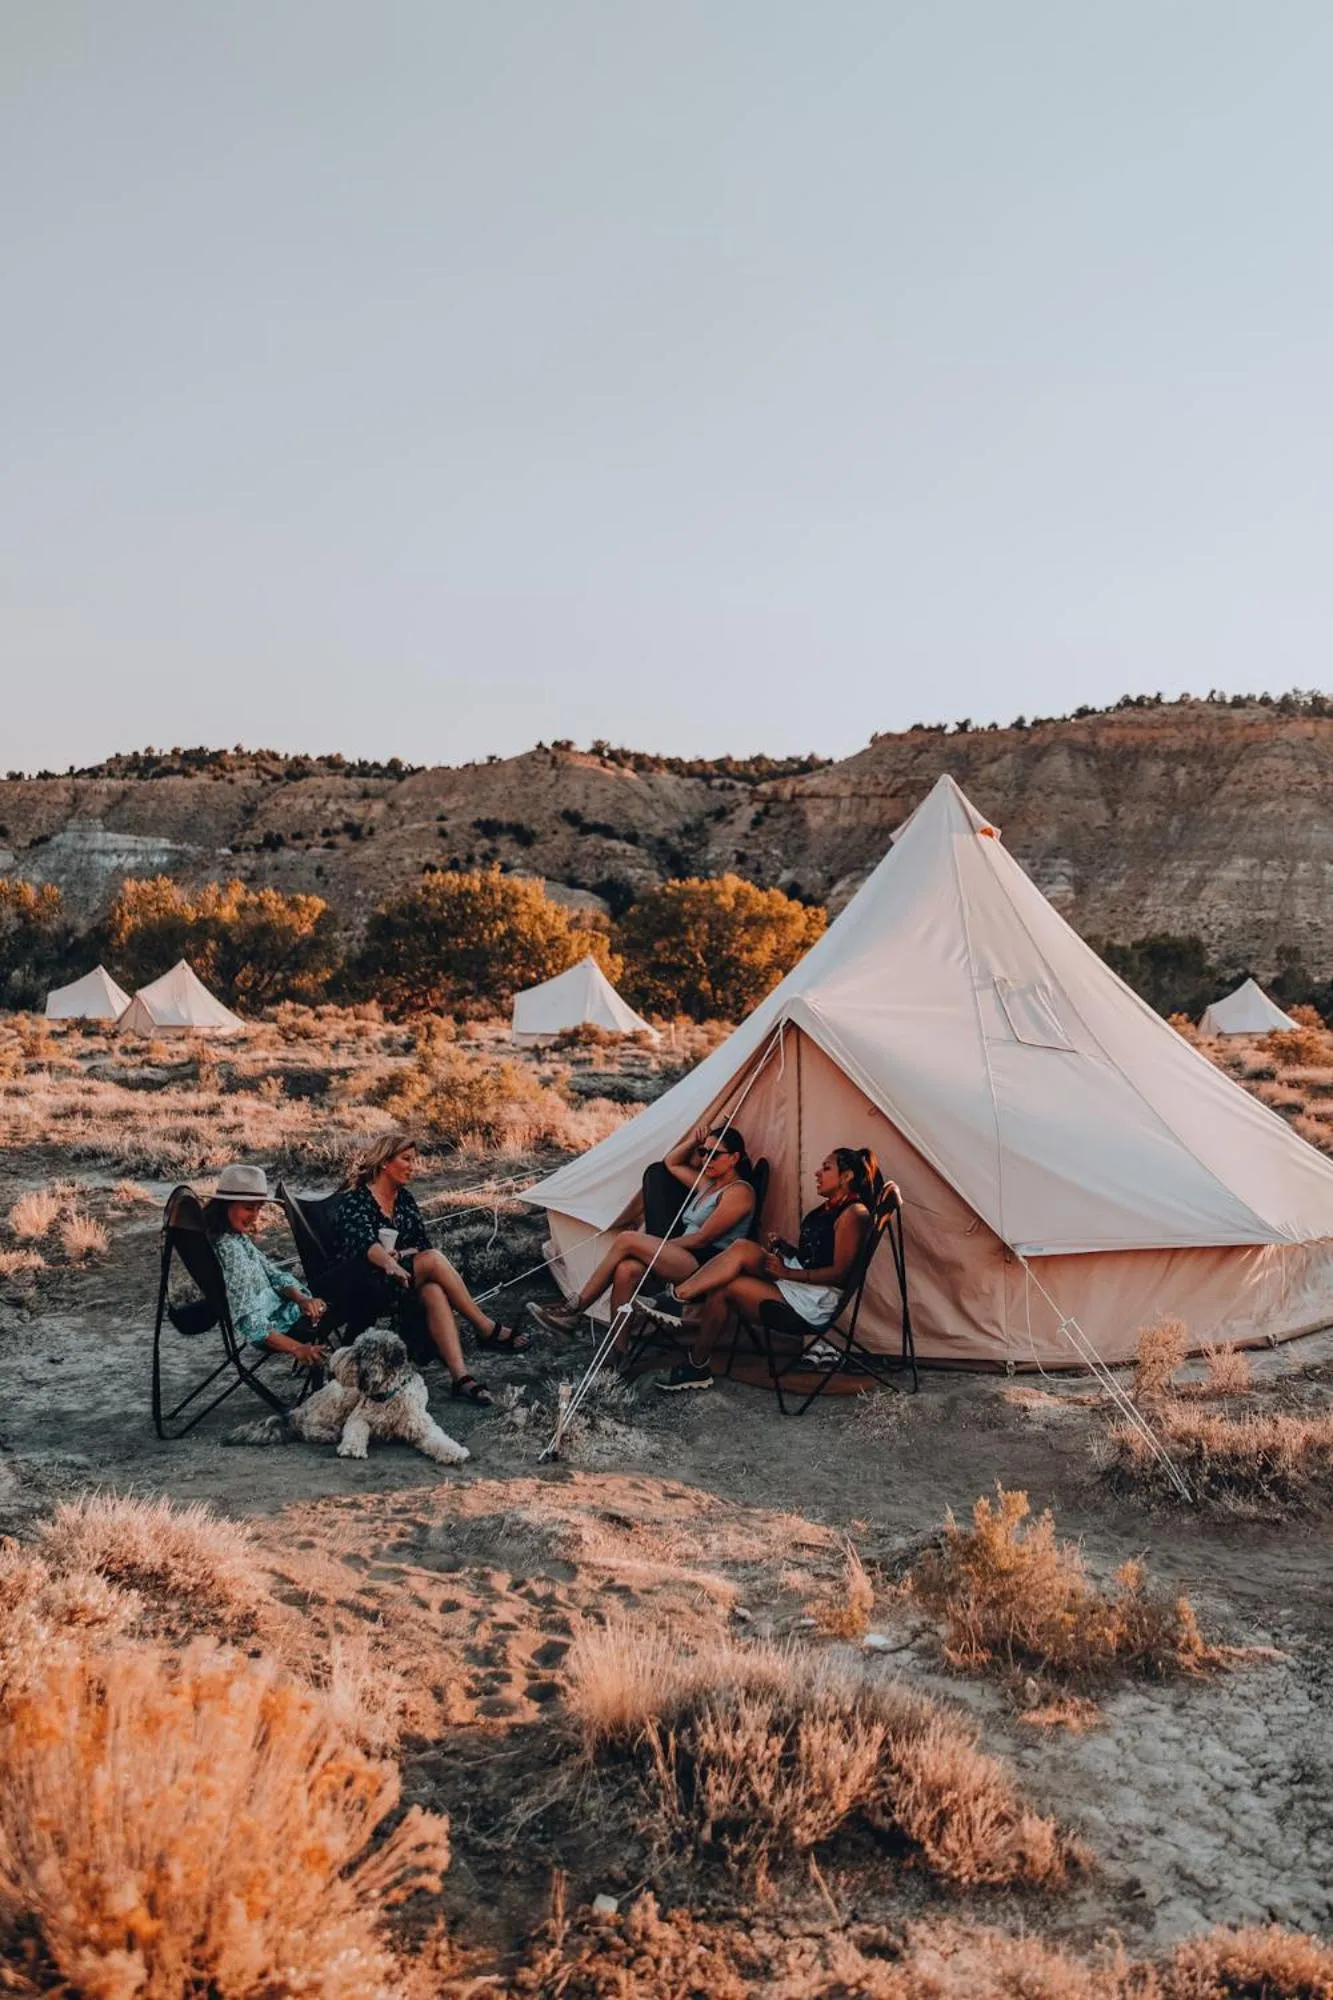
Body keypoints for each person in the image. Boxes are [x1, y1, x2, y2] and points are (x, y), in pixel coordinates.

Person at [649, 1147, 890, 1393]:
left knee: (724, 1288)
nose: (818, 1173)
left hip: (813, 1300)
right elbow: (817, 1256)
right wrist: (786, 1249)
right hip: (800, 1282)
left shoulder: (853, 1214)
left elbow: (839, 1273)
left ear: (847, 1176)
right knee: (742, 1247)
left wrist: (787, 1273)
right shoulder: (831, 1207)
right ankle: (677, 1298)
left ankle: (694, 1357)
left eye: (826, 1168)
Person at [326, 1133, 525, 1405]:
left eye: (414, 1160)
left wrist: (400, 1254)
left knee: (432, 1289)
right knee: (432, 1260)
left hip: (400, 1278)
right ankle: (485, 1327)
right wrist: (390, 1262)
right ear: (384, 1162)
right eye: (406, 1159)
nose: (413, 1166)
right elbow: (365, 1245)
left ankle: (461, 1377)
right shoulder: (357, 1200)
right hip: (362, 1282)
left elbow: (420, 1244)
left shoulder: (404, 1199)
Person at [528, 1123, 757, 1342]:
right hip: (684, 1257)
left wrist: (656, 1246)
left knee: (628, 1239)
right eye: (704, 1152)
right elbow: (671, 1162)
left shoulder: (739, 1192)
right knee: (626, 1270)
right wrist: (693, 1142)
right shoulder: (707, 1184)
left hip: (705, 1266)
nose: (706, 1159)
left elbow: (703, 1239)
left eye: (714, 1154)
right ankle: (618, 1351)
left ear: (734, 1158)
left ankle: (574, 1309)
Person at [205, 1163, 329, 1369]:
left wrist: (302, 1299)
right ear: (225, 1205)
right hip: (279, 1326)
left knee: (348, 1282)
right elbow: (250, 1321)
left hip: (289, 1310)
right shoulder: (229, 1250)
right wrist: (297, 1348)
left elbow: (274, 1274)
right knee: (353, 1283)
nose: (254, 1216)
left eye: (258, 1208)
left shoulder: (235, 1238)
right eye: (248, 1208)